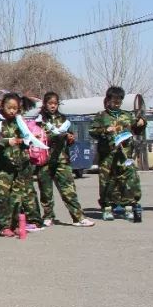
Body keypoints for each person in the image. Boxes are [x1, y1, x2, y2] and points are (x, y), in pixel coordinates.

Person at [36, 92, 94, 227]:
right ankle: (48, 215)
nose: (52, 106)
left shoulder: (63, 119)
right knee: (46, 190)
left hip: (62, 159)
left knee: (69, 190)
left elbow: (71, 136)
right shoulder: (40, 120)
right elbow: (38, 136)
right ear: (45, 104)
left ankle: (78, 217)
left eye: (55, 103)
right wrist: (53, 136)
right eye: (50, 103)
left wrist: (70, 138)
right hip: (45, 159)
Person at [90, 86, 145, 221]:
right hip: (107, 156)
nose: (117, 103)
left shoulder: (127, 115)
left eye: (119, 100)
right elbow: (92, 131)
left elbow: (137, 130)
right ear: (108, 100)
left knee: (127, 181)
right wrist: (105, 130)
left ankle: (128, 207)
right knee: (107, 182)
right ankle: (107, 207)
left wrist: (141, 123)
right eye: (114, 100)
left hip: (125, 155)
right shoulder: (101, 116)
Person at [0, 93, 42, 236]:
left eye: (15, 108)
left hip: (18, 167)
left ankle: (14, 225)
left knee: (16, 198)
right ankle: (3, 226)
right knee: (2, 197)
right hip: (2, 168)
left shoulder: (20, 123)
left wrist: (30, 139)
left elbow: (24, 143)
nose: (12, 111)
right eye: (9, 108)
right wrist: (7, 141)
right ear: (2, 107)